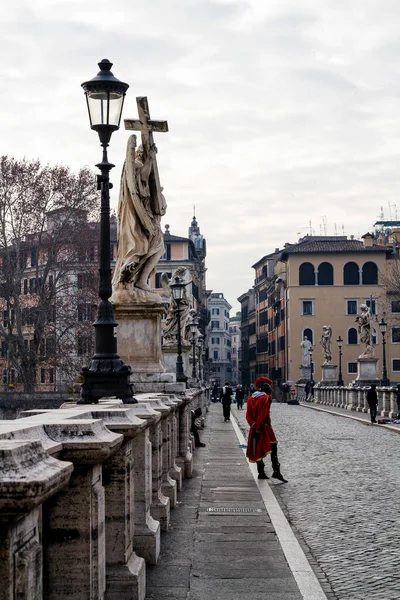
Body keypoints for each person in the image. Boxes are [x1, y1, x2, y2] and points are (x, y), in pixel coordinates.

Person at [112, 135, 167, 291]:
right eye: (142, 152)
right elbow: (142, 176)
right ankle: (134, 280)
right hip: (136, 216)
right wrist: (150, 158)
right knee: (141, 246)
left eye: (144, 153)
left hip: (146, 215)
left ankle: (140, 280)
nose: (143, 155)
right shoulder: (134, 165)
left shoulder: (142, 167)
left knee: (158, 247)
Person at [246, 377, 287, 482]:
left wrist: (253, 425)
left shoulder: (251, 398)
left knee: (257, 449)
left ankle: (261, 472)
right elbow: (263, 414)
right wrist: (259, 427)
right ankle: (276, 471)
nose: (271, 390)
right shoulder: (265, 398)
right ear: (266, 388)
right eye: (270, 388)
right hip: (264, 427)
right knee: (273, 447)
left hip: (254, 427)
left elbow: (248, 416)